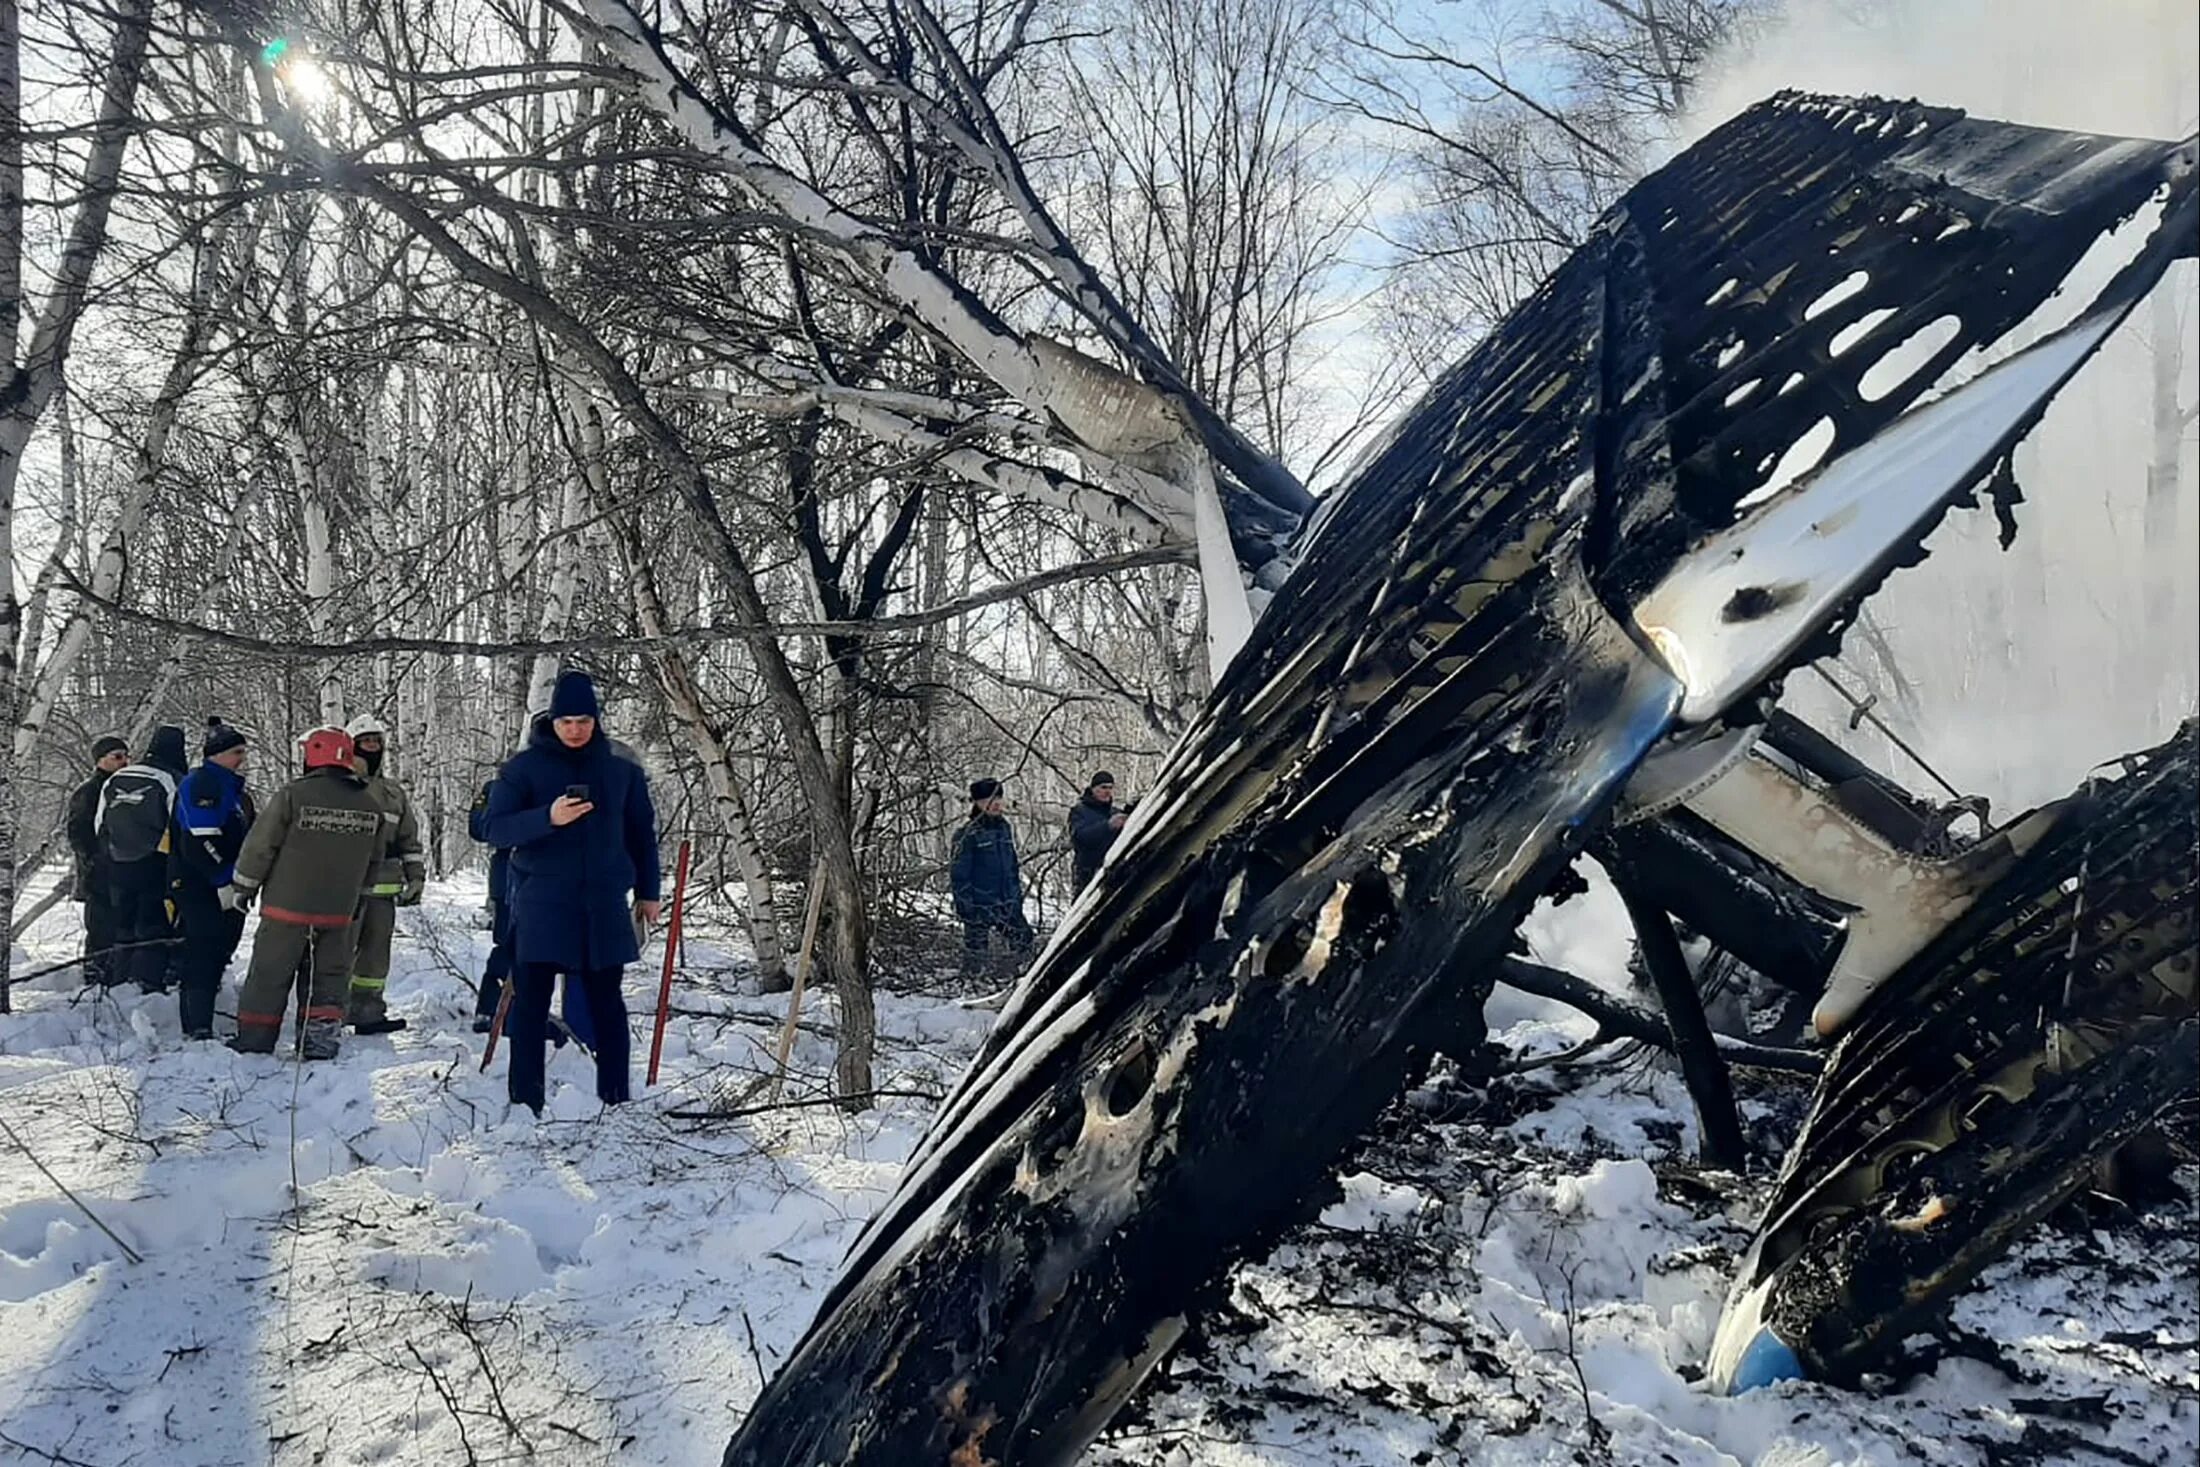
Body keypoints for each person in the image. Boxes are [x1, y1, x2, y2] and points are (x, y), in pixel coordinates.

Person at [482, 670, 661, 1115]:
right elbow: (493, 828)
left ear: (596, 720)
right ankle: (526, 1104)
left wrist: (649, 890)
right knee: (531, 1007)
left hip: (603, 904)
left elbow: (642, 834)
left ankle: (616, 1099)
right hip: (542, 904)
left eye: (584, 720)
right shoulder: (523, 769)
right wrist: (548, 817)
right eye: (566, 722)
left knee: (608, 1005)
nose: (575, 730)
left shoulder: (621, 769)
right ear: (552, 722)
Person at [227, 727, 385, 1059]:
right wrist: (359, 901)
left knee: (270, 973)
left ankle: (255, 1040)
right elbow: (374, 861)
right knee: (328, 977)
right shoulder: (370, 804)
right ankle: (320, 1042)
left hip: (288, 908)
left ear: (314, 755)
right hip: (339, 912)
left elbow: (261, 847)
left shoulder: (293, 795)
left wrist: (244, 886)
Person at [169, 719, 257, 1039]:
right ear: (216, 754)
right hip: (199, 884)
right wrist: (223, 879)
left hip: (228, 884)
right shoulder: (202, 784)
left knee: (219, 949)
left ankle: (203, 1017)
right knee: (202, 951)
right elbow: (199, 841)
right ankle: (197, 1027)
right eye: (236, 752)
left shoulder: (230, 788)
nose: (242, 758)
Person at [342, 714, 426, 1036]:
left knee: (375, 960)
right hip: (345, 888)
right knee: (337, 955)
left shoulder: (393, 792)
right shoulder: (338, 786)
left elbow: (409, 838)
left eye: (376, 742)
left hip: (383, 890)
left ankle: (368, 1012)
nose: (372, 748)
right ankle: (328, 1014)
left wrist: (415, 876)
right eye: (365, 743)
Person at [95, 724, 188, 991]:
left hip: (117, 862)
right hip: (155, 863)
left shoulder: (117, 778)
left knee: (123, 923)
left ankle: (118, 981)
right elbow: (179, 825)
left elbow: (99, 824)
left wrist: (108, 855)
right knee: (153, 924)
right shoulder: (172, 779)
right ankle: (148, 983)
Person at [951, 778, 1033, 976]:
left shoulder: (1004, 828)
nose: (996, 804)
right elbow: (959, 875)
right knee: (976, 955)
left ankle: (1020, 978)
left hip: (1007, 902)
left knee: (1025, 941)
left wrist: (1015, 896)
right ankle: (972, 984)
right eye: (990, 799)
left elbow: (1012, 865)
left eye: (999, 798)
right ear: (977, 802)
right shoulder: (967, 834)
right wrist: (966, 907)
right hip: (979, 903)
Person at [65, 736, 130, 985]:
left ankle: (115, 976)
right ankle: (95, 977)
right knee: (100, 929)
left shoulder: (122, 788)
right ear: (101, 760)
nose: (124, 762)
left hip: (119, 871)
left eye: (126, 756)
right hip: (97, 875)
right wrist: (93, 859)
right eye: (117, 757)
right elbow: (77, 833)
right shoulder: (89, 791)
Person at [469, 776, 516, 1034]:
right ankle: (490, 1010)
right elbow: (478, 826)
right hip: (509, 880)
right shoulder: (500, 787)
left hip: (556, 883)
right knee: (508, 946)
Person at [1068, 770, 1128, 897]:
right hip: (1087, 873)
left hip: (1112, 872)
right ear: (1093, 789)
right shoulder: (1079, 811)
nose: (1107, 791)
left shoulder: (1115, 812)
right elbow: (1079, 837)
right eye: (1103, 787)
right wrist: (1107, 826)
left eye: (1110, 788)